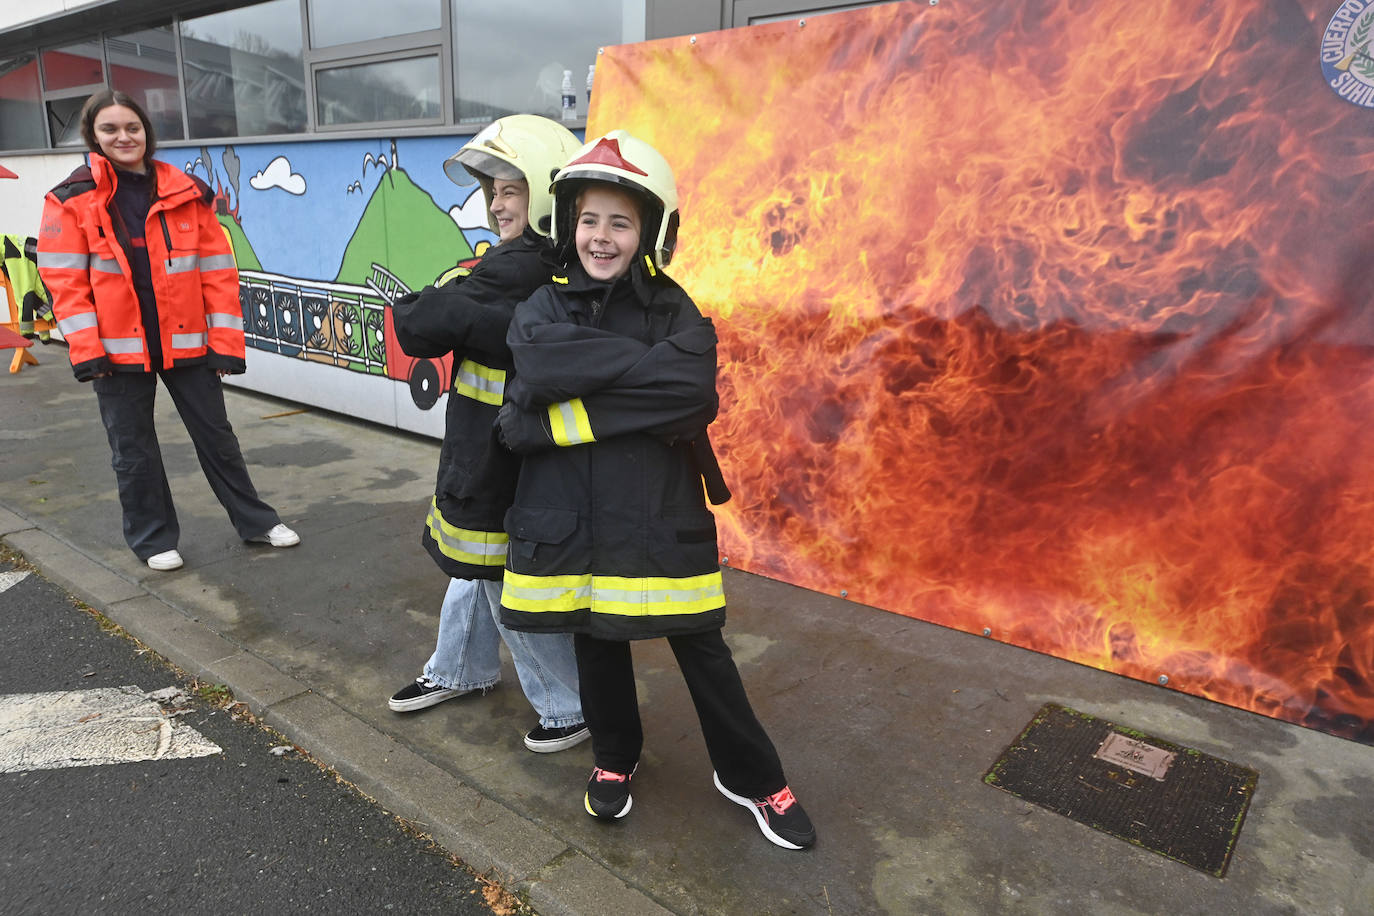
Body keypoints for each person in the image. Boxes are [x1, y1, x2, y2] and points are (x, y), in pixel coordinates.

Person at [495, 130, 816, 849]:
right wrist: (639, 375)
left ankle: (751, 774)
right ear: (568, 221)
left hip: (658, 518)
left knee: (703, 649)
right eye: (588, 219)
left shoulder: (673, 307)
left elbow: (689, 392)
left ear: (648, 231)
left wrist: (569, 414)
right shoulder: (540, 310)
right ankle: (615, 757)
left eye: (619, 222)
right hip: (575, 519)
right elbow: (523, 407)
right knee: (596, 639)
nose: (600, 238)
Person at [388, 115, 589, 754]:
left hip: (501, 457)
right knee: (475, 565)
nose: (495, 202)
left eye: (510, 188)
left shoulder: (519, 266)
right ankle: (461, 668)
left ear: (546, 192)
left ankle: (568, 707)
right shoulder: (537, 264)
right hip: (492, 448)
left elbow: (420, 324)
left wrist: (434, 296)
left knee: (504, 576)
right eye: (491, 190)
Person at [37, 90, 298, 572]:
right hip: (116, 354)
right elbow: (65, 283)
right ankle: (153, 537)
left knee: (218, 437)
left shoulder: (188, 192)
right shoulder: (70, 200)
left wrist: (224, 343)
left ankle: (256, 521)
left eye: (132, 127)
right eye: (110, 129)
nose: (123, 137)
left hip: (188, 343)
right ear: (93, 136)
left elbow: (217, 273)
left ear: (147, 133)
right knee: (132, 450)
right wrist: (86, 350)